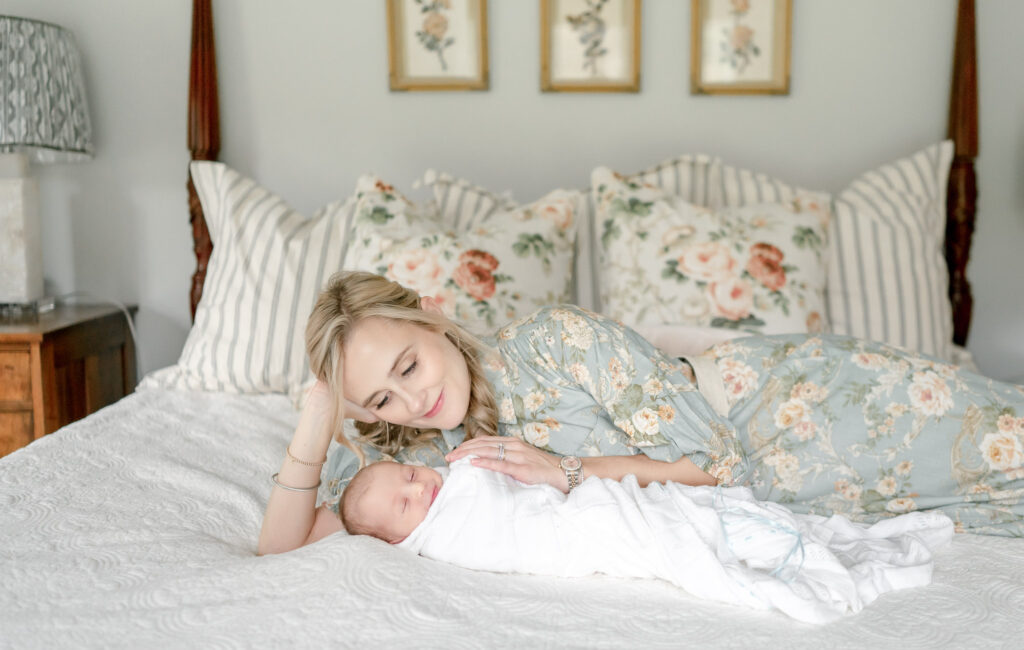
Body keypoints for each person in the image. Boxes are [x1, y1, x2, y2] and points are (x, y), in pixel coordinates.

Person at [258, 271, 1024, 555]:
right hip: (791, 486)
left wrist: (565, 471)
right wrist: (319, 415)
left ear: (432, 316)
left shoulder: (552, 341)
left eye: (408, 366)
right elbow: (284, 546)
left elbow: (717, 463)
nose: (414, 401)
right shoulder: (417, 457)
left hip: (789, 403)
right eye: (382, 400)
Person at [337, 456, 954, 625]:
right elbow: (492, 506)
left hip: (608, 505)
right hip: (602, 533)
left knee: (721, 519)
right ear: (400, 541)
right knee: (702, 535)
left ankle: (818, 547)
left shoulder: (449, 481)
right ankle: (820, 562)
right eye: (405, 504)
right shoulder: (448, 532)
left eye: (412, 478)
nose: (422, 491)